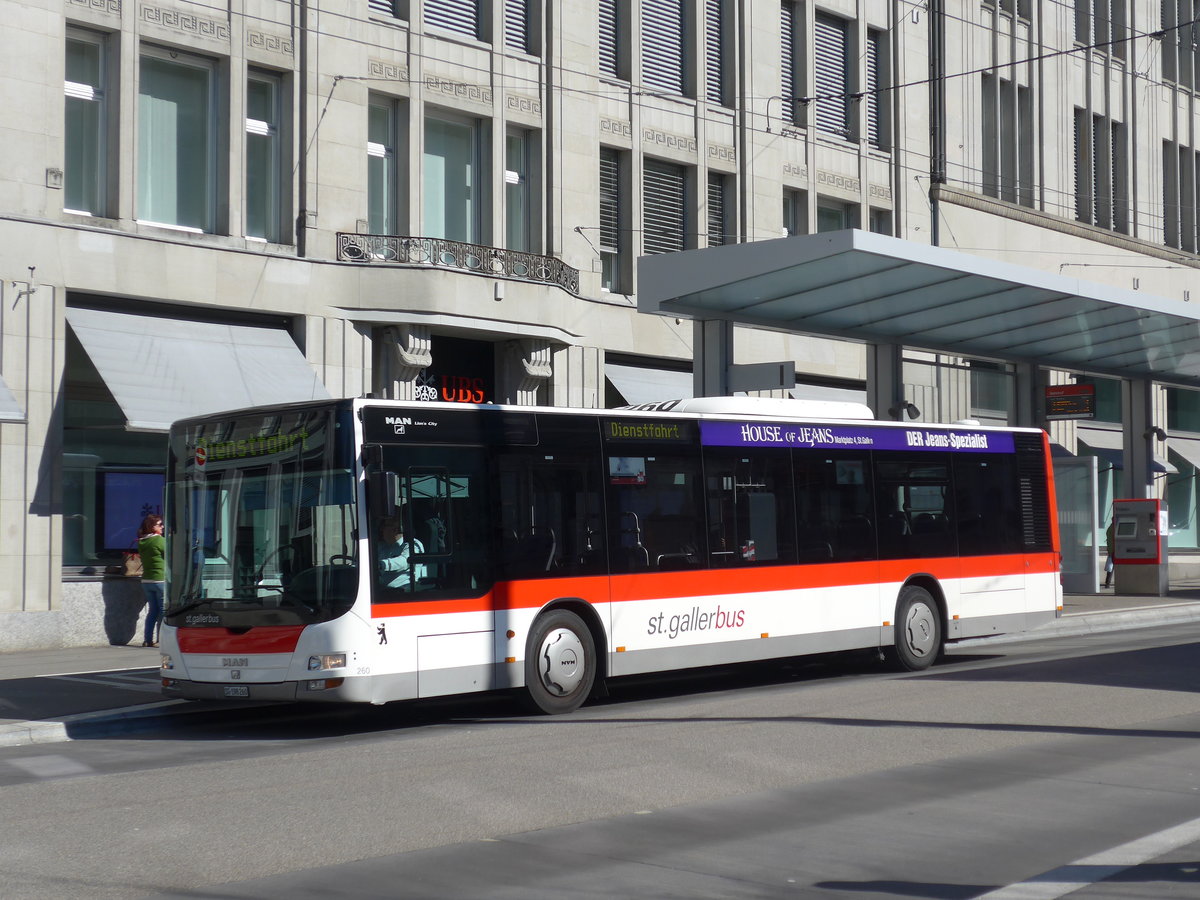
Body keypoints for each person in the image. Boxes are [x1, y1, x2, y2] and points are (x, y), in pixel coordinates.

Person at [138, 514, 165, 647]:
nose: (163, 527)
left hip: (146, 581)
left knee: (152, 611)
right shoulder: (159, 540)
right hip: (160, 579)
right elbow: (170, 555)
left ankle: (147, 639)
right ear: (152, 527)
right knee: (163, 610)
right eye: (160, 525)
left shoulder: (142, 541)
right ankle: (162, 640)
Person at [377, 515, 425, 589]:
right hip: (381, 591)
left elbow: (405, 561)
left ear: (395, 530)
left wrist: (382, 565)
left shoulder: (413, 544)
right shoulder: (382, 546)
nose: (381, 529)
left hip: (404, 592)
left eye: (384, 526)